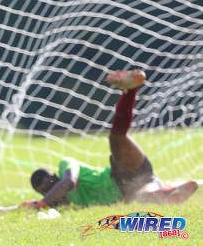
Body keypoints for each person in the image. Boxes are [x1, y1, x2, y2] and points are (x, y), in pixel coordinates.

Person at [22, 69, 198, 209]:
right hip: (131, 189)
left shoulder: (65, 167)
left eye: (50, 184)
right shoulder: (64, 205)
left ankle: (130, 90)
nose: (49, 189)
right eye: (44, 190)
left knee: (117, 138)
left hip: (119, 171)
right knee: (146, 198)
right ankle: (175, 191)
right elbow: (24, 207)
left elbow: (69, 182)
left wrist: (42, 203)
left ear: (54, 175)